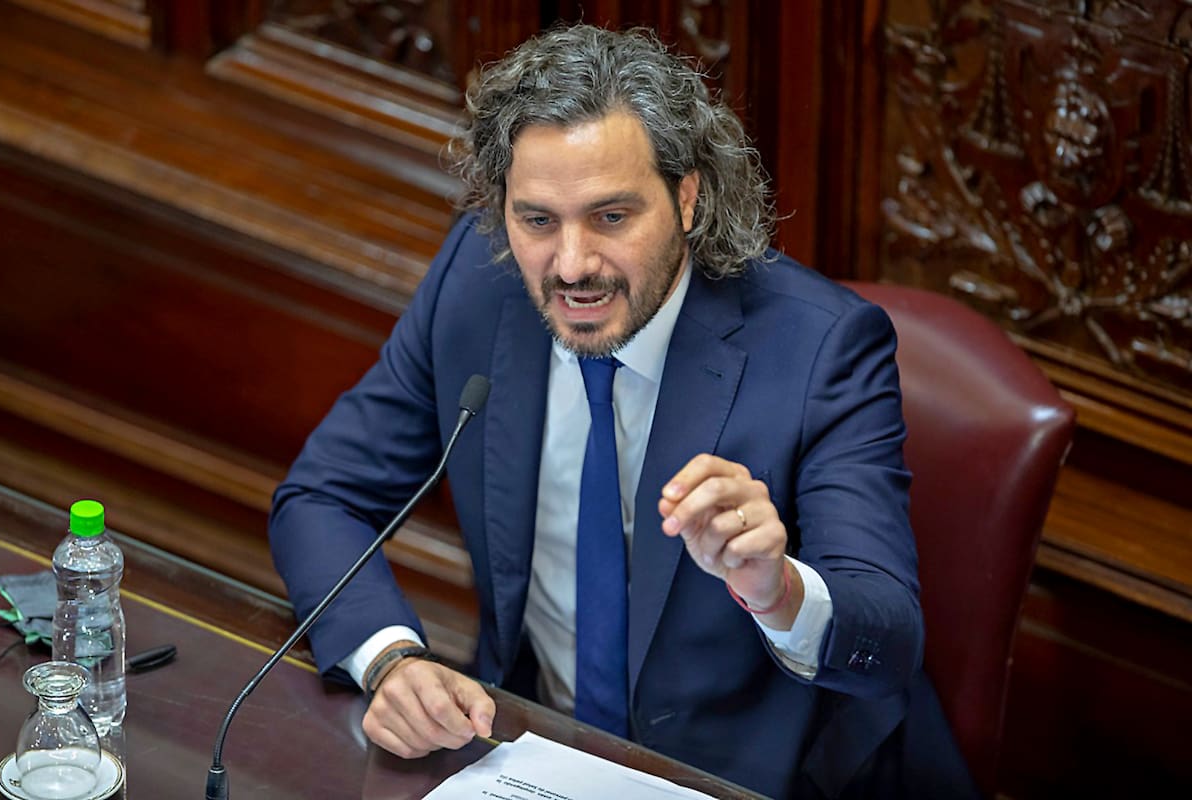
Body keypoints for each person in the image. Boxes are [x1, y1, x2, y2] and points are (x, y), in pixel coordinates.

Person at [269, 24, 975, 800]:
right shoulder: (476, 280)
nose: (572, 266)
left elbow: (888, 636)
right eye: (538, 220)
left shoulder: (823, 347)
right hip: (532, 756)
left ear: (686, 197)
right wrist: (391, 660)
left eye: (611, 217)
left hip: (763, 779)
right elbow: (322, 498)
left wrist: (777, 588)